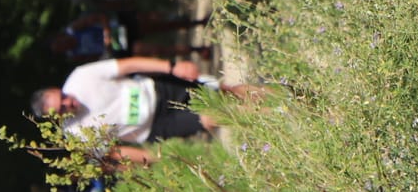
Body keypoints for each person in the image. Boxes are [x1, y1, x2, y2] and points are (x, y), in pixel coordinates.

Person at [32, 57, 258, 167]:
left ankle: (280, 96)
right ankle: (270, 114)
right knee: (211, 118)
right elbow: (115, 152)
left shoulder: (80, 77)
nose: (67, 102)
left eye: (62, 97)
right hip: (155, 126)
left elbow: (129, 65)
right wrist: (152, 159)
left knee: (224, 93)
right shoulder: (77, 134)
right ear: (57, 118)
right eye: (61, 109)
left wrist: (171, 67)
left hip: (158, 90)